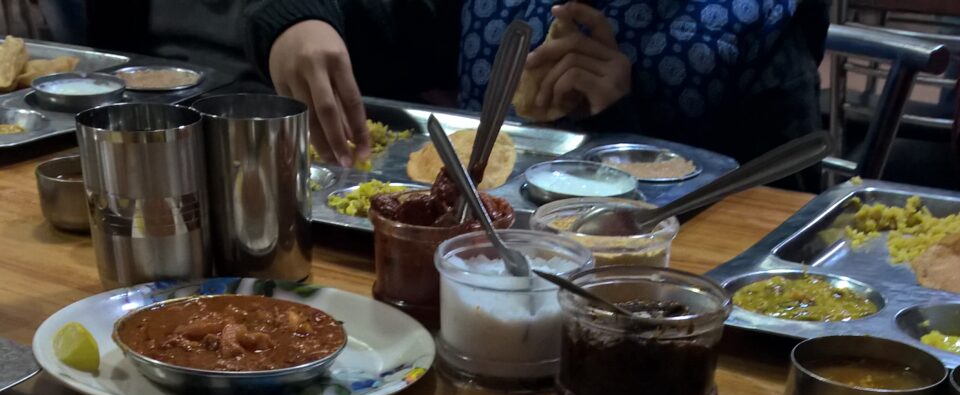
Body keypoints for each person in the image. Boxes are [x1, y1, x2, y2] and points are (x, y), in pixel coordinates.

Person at [247, 0, 829, 176]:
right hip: (472, 266)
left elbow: (785, 187)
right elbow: (369, 20)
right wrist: (298, 24)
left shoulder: (759, 18)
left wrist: (630, 124)